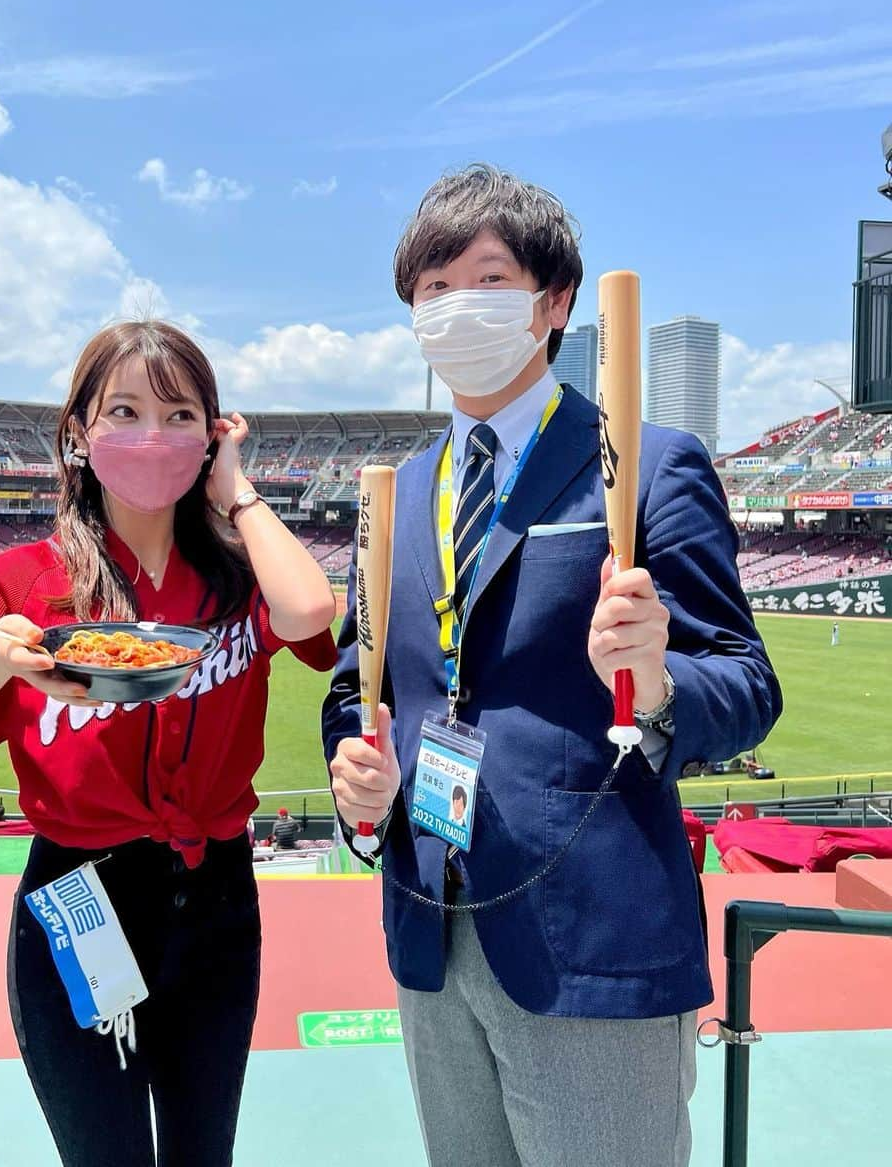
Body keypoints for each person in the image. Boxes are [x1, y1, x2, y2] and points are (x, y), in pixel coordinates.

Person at [322, 165, 782, 1167]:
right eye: (431, 289)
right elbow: (356, 687)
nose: (454, 308)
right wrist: (356, 775)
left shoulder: (650, 462)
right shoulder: (395, 494)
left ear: (553, 300)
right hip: (432, 931)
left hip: (592, 940)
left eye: (483, 279)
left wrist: (657, 677)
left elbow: (747, 682)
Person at [0, 320, 337, 1167]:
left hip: (218, 903)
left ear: (214, 434)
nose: (153, 436)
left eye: (181, 414)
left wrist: (237, 493)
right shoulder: (23, 583)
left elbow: (309, 614)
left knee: (204, 1155)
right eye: (123, 410)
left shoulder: (240, 576)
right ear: (78, 433)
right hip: (76, 903)